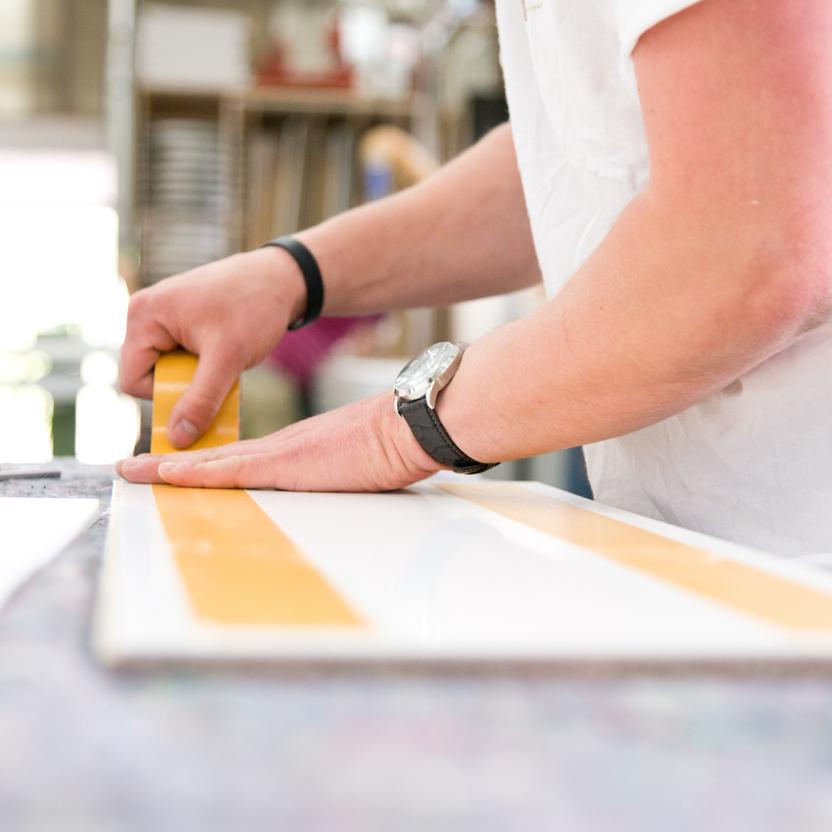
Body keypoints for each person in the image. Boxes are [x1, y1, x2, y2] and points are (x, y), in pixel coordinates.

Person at [117, 0, 832, 558]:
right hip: (723, 566)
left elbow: (746, 250)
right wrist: (290, 272)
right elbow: (581, 165)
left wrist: (398, 434)